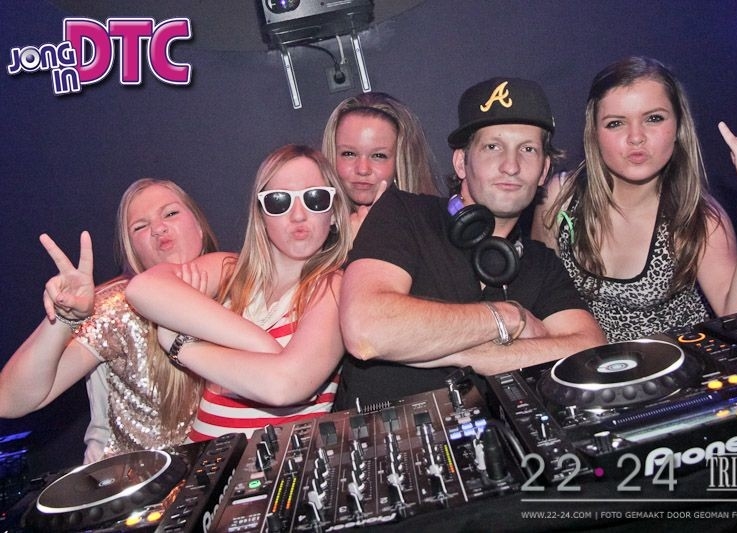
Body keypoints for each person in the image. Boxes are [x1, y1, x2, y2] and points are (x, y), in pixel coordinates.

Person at [336, 78, 607, 408]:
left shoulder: (542, 263)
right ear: (461, 162)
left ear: (543, 171)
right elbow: (366, 332)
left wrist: (460, 350)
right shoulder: (403, 213)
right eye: (493, 147)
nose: (511, 166)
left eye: (528, 149)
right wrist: (508, 317)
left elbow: (590, 352)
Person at [531, 56, 737, 342]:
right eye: (616, 123)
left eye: (653, 118)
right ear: (595, 133)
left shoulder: (697, 218)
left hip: (680, 367)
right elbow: (539, 296)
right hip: (588, 367)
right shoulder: (561, 197)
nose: (636, 137)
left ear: (678, 127)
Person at [125, 144, 353, 441]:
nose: (298, 215)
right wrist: (265, 347)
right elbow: (142, 288)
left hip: (275, 468)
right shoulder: (230, 271)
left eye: (315, 199)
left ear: (333, 213)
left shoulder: (333, 286)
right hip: (203, 463)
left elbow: (284, 386)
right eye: (279, 201)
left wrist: (183, 348)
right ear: (261, 216)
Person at [0, 179, 218, 461]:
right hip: (133, 481)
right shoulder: (119, 308)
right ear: (132, 250)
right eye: (140, 227)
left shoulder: (237, 289)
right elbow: (9, 400)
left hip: (216, 473)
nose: (158, 228)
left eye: (170, 213)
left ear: (199, 225)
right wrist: (64, 319)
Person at [322, 92, 440, 234]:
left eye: (378, 156)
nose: (363, 169)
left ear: (401, 161)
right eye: (349, 154)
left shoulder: (431, 229)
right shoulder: (313, 235)